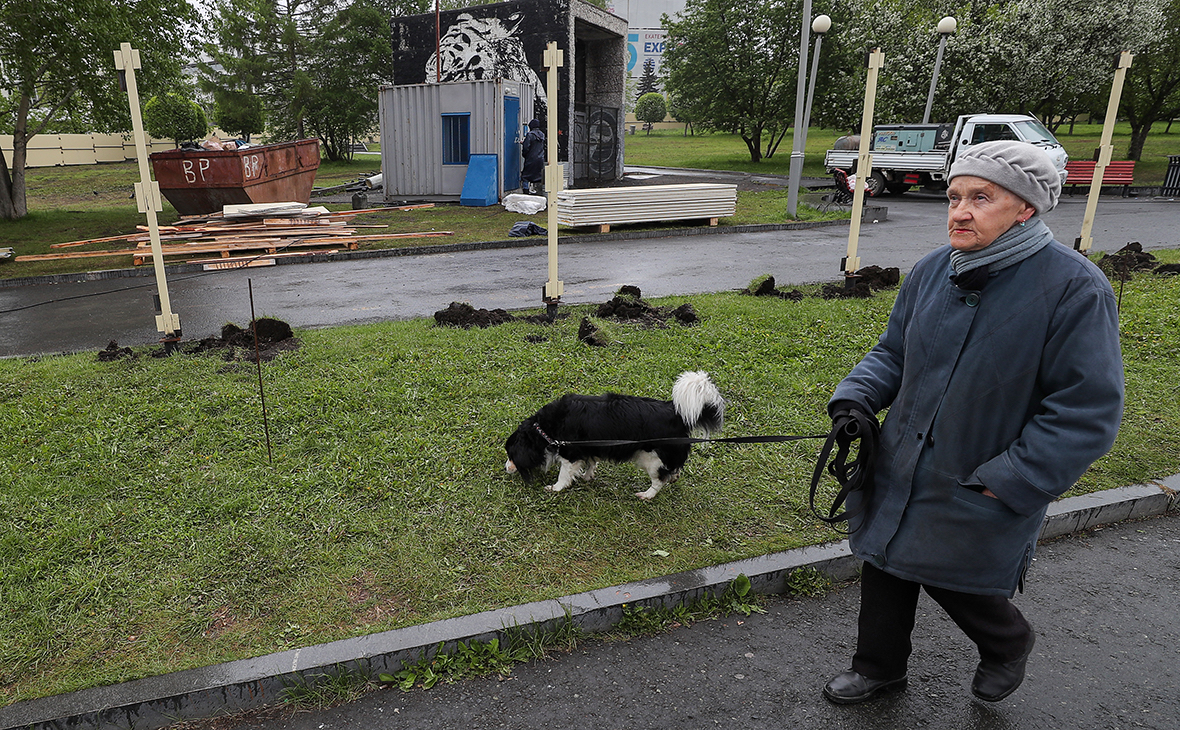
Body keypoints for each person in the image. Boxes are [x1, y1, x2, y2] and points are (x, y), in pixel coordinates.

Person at [822, 140, 1124, 705]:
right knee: (885, 558)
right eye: (956, 196)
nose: (959, 210)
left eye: (980, 198)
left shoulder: (1075, 289)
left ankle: (1008, 641)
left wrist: (1010, 478)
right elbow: (893, 354)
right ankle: (878, 666)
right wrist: (856, 402)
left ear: (1025, 209)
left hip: (983, 467)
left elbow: (1087, 410)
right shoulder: (934, 270)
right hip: (904, 453)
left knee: (947, 567)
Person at [521, 118, 546, 195]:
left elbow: (526, 147)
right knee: (538, 176)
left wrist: (524, 154)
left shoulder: (530, 135)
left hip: (531, 159)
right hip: (540, 159)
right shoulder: (542, 135)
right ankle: (538, 192)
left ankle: (526, 192)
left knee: (525, 176)